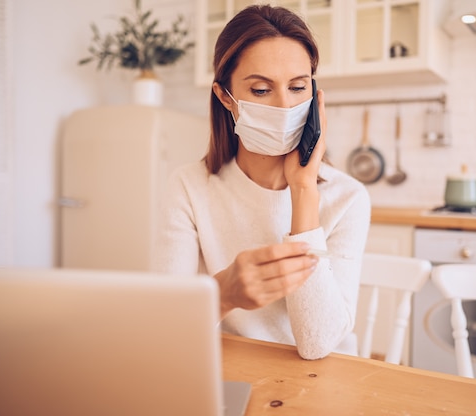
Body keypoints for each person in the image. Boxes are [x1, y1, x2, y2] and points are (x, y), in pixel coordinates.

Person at [156, 4, 370, 360]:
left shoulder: (347, 197)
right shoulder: (188, 188)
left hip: (322, 379)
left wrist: (304, 192)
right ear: (226, 98)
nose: (285, 106)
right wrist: (222, 294)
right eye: (260, 91)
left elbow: (317, 344)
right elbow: (164, 328)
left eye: (298, 87)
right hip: (230, 368)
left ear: (314, 96)